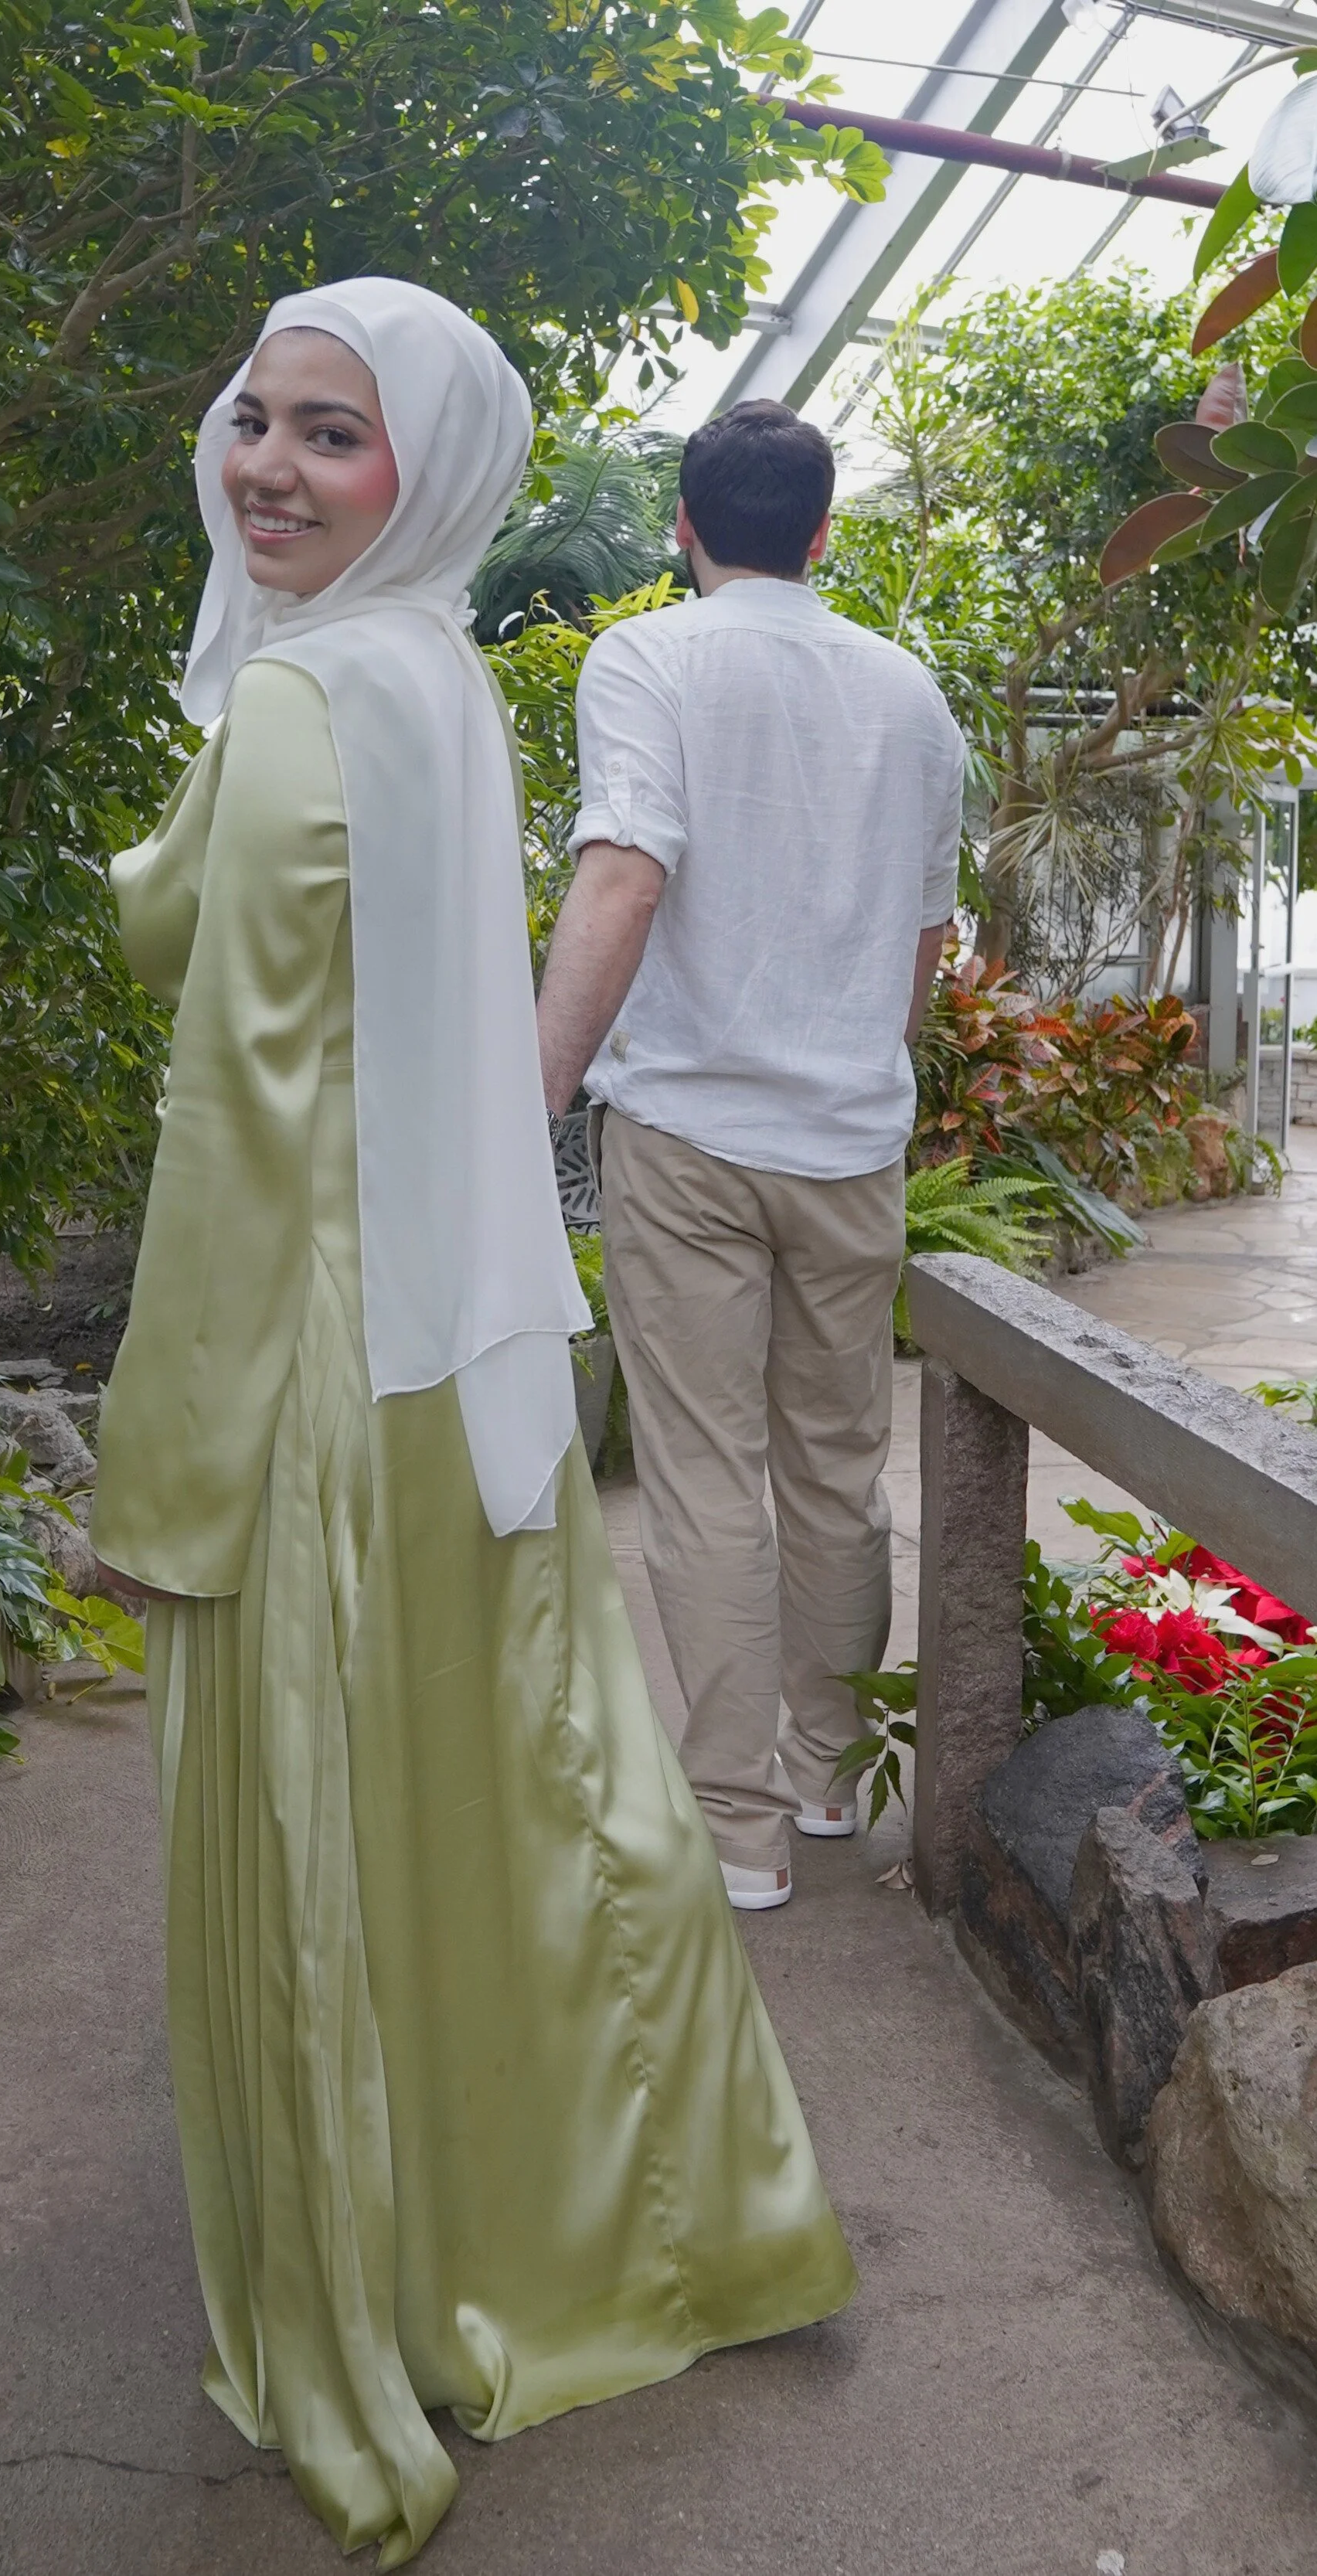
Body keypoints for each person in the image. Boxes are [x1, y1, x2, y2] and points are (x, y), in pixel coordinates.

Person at [89, 285, 855, 2569]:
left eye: (334, 436)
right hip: (449, 1329)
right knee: (493, 1796)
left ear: (423, 469)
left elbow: (242, 1121)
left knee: (344, 1822)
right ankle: (613, 2214)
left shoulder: (320, 696)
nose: (268, 469)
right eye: (253, 417)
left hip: (322, 1359)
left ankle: (378, 2272)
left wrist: (174, 1452)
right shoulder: (423, 676)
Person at [536, 398, 965, 1915]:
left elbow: (623, 873)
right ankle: (828, 1772)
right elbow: (923, 939)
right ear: (822, 531)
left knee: (706, 1476)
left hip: (689, 1136)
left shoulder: (645, 657)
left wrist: (532, 1089)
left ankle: (736, 1833)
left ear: (682, 526)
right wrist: (863, 1059)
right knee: (836, 1463)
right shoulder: (907, 693)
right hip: (848, 1141)